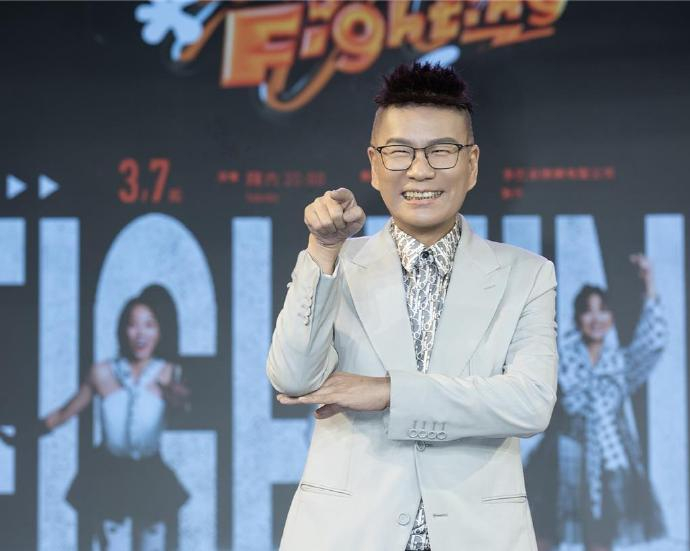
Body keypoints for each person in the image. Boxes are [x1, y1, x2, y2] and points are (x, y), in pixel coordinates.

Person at [266, 62, 559, 551]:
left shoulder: (526, 274)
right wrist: (323, 249)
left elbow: (529, 403)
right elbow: (293, 378)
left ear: (472, 163)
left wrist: (388, 392)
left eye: (441, 151)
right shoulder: (336, 264)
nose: (420, 170)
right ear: (374, 164)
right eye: (400, 151)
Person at [530, 254, 667, 551]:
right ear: (577, 318)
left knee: (601, 539)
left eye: (603, 311)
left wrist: (649, 281)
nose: (596, 319)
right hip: (563, 456)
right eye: (588, 312)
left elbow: (653, 342)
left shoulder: (620, 365)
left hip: (607, 459)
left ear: (612, 318)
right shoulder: (560, 358)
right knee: (544, 536)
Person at [40, 285, 190, 551]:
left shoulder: (169, 372)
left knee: (153, 541)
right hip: (111, 472)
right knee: (112, 543)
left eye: (149, 325)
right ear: (122, 330)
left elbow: (188, 408)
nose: (140, 334)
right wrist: (30, 431)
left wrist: (178, 399)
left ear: (159, 331)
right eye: (133, 325)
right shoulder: (103, 372)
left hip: (149, 471)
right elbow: (65, 412)